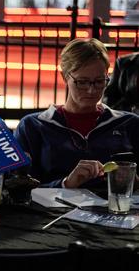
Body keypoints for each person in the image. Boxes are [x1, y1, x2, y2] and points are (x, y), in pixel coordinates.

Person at [15, 38, 139, 189]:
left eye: (99, 81)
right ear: (64, 77)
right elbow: (16, 188)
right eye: (82, 82)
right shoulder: (33, 126)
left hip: (117, 209)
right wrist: (65, 184)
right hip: (49, 212)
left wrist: (133, 181)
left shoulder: (130, 124)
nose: (91, 90)